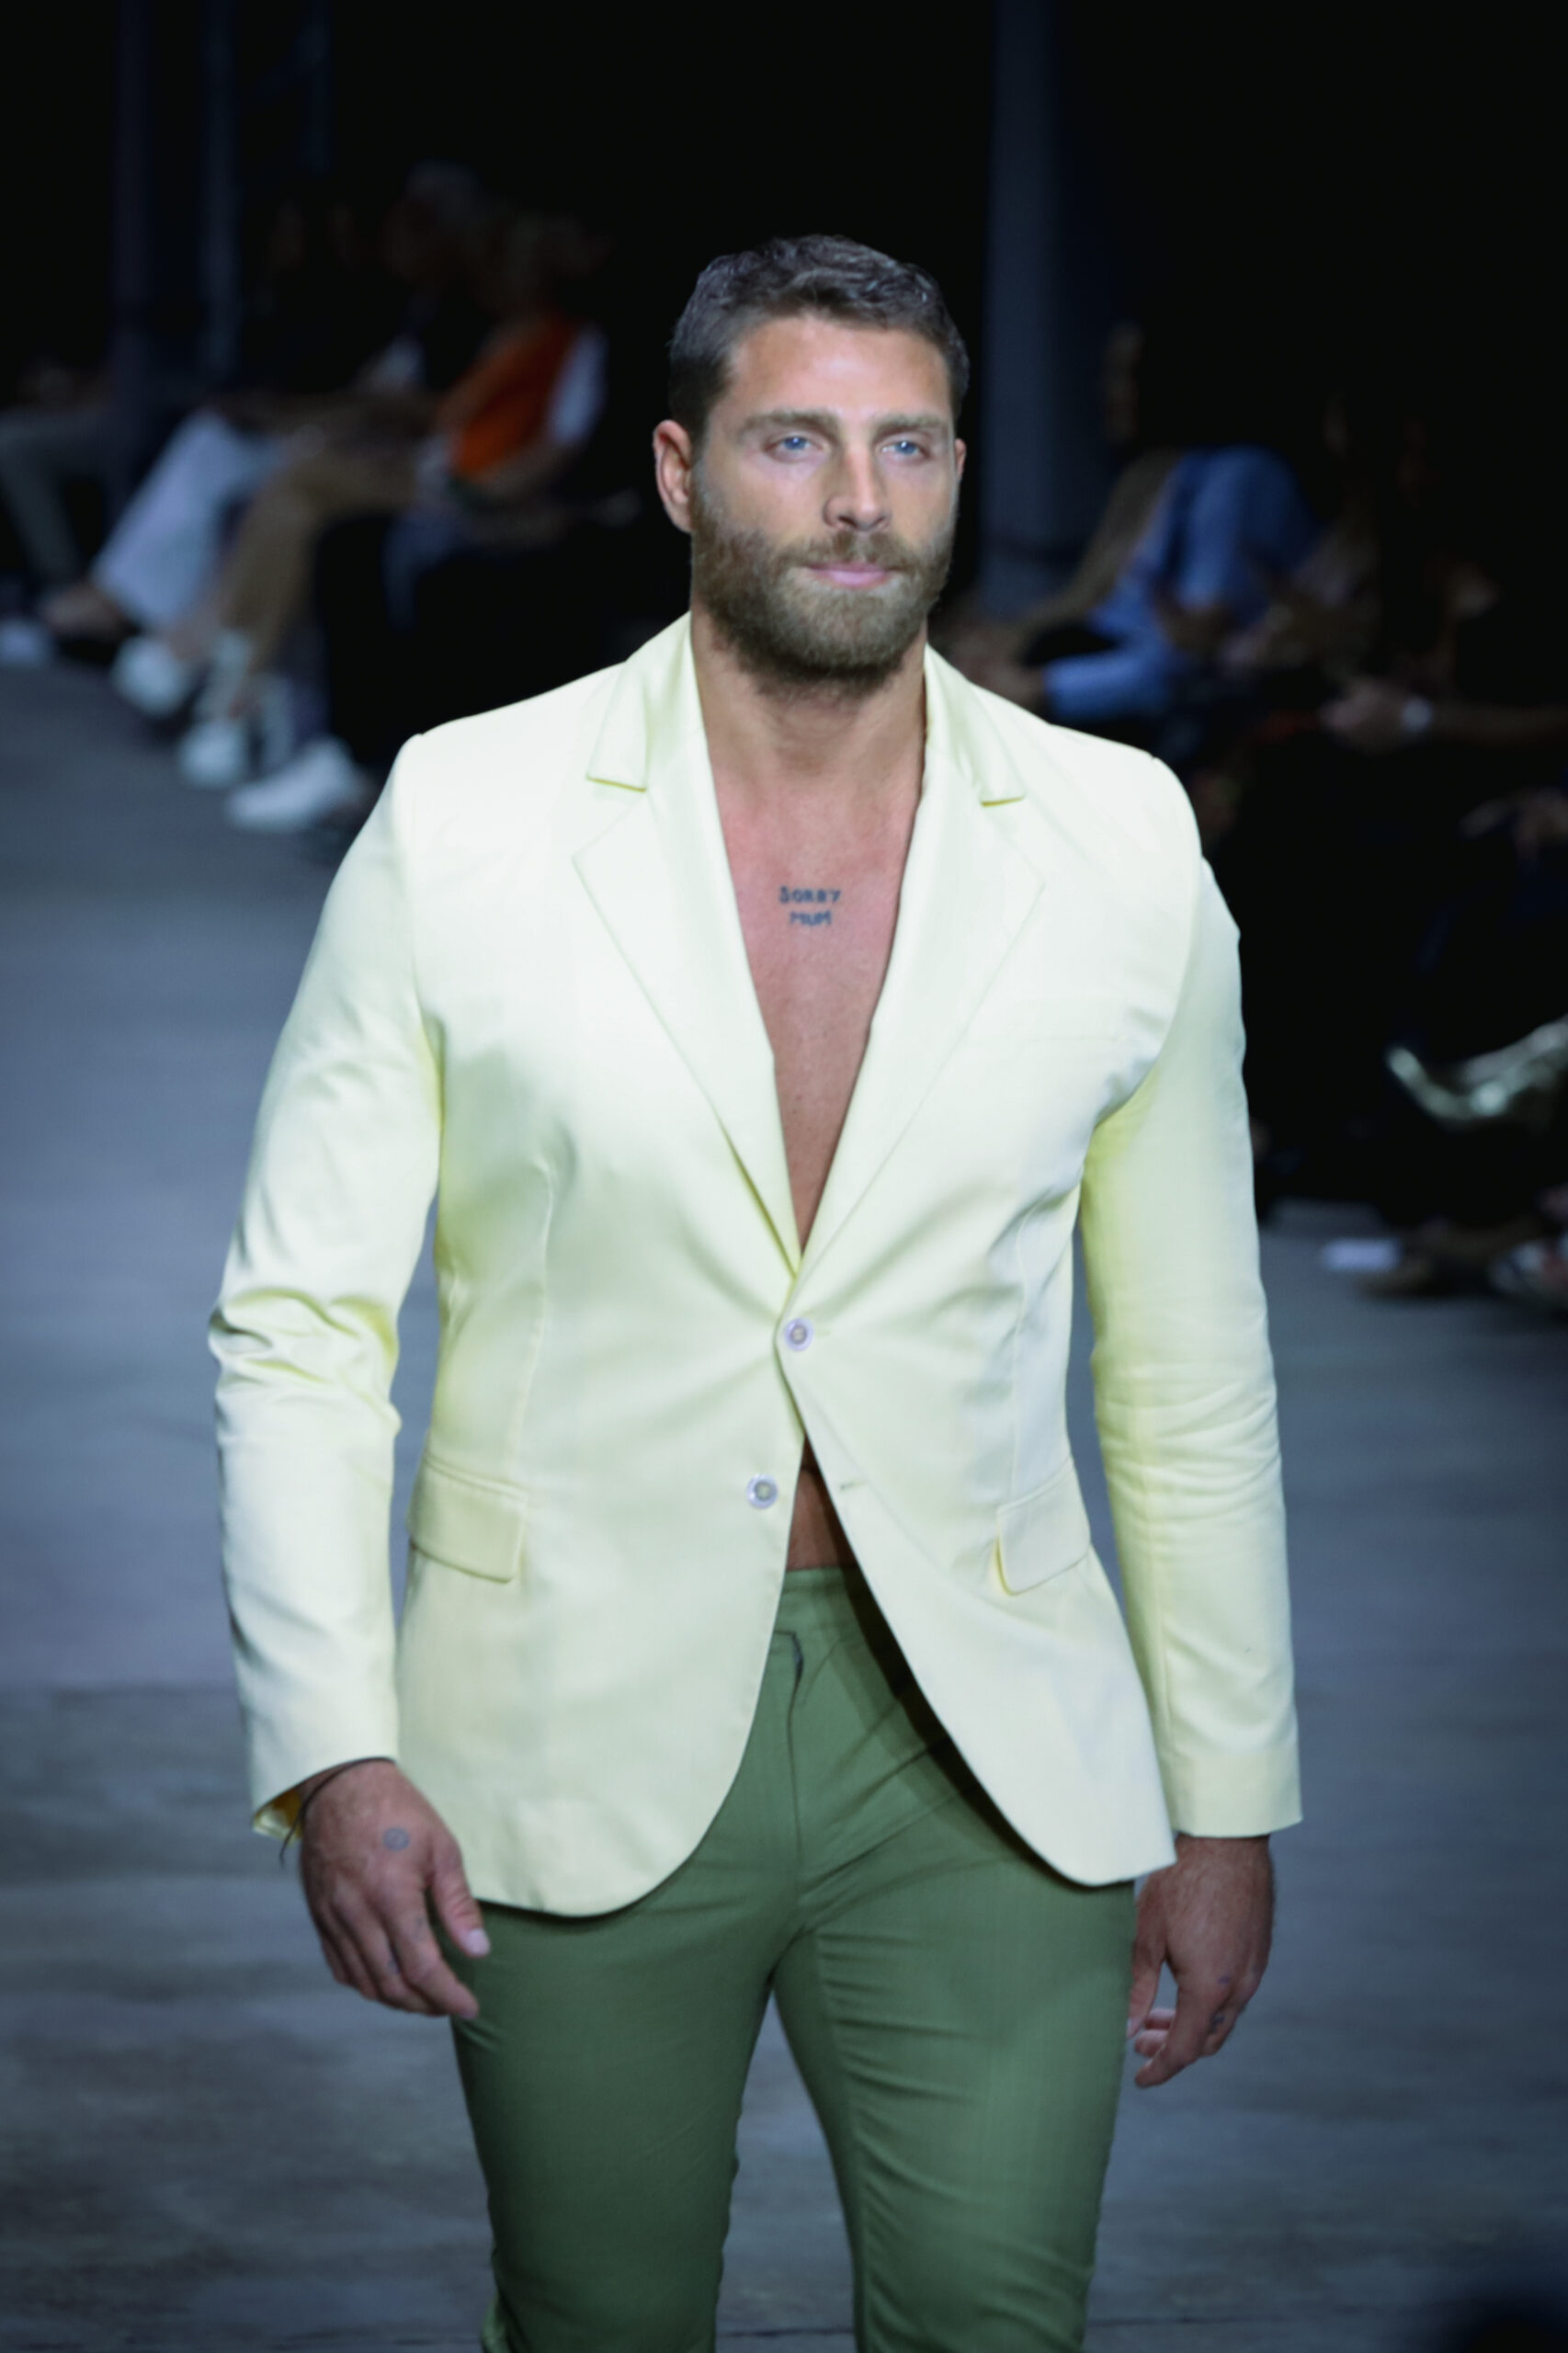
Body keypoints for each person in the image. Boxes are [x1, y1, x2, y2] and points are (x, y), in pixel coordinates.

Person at [211, 236, 1299, 2353]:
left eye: (910, 447)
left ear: (960, 469)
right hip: (562, 1715)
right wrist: (334, 1746)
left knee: (995, 2324)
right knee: (598, 2321)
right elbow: (303, 1324)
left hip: (989, 1741)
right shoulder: (468, 815)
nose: (859, 502)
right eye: (796, 442)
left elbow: (1189, 1365)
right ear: (678, 470)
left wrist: (1228, 1791)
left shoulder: (1119, 840)